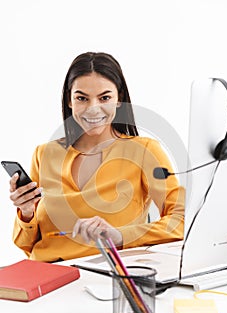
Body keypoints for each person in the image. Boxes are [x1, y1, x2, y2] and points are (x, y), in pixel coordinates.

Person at [9, 52, 185, 262]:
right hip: (45, 274)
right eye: (82, 98)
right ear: (69, 100)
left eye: (105, 98)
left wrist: (119, 236)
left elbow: (182, 222)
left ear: (119, 99)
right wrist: (26, 212)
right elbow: (26, 245)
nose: (93, 109)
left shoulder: (144, 151)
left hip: (104, 275)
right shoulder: (44, 154)